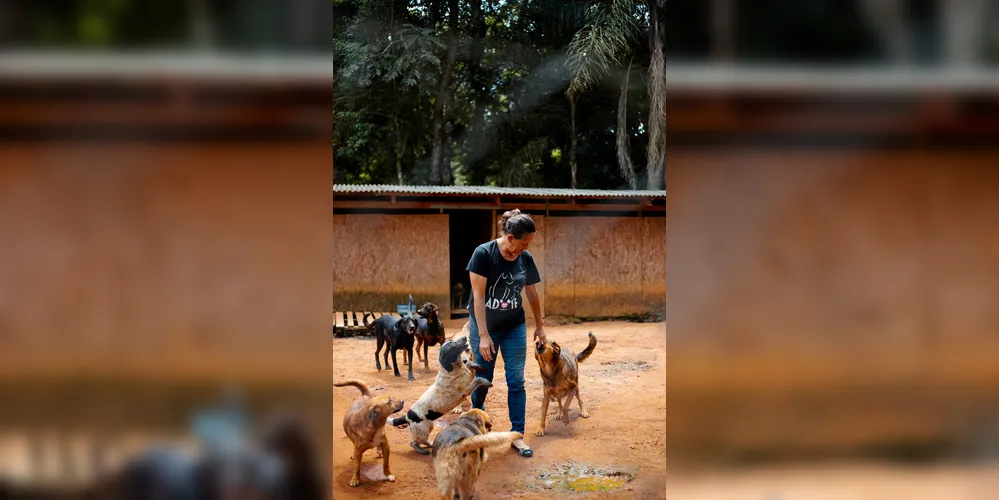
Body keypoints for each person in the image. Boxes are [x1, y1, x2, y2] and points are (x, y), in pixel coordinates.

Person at [465, 208, 546, 457]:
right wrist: (484, 335)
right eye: (522, 243)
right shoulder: (483, 254)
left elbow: (531, 293)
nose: (524, 248)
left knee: (516, 380)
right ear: (510, 237)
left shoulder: (525, 258)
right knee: (482, 378)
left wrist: (540, 325)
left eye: (528, 244)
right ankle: (472, 430)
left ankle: (517, 435)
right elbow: (478, 297)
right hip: (485, 326)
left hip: (514, 326)